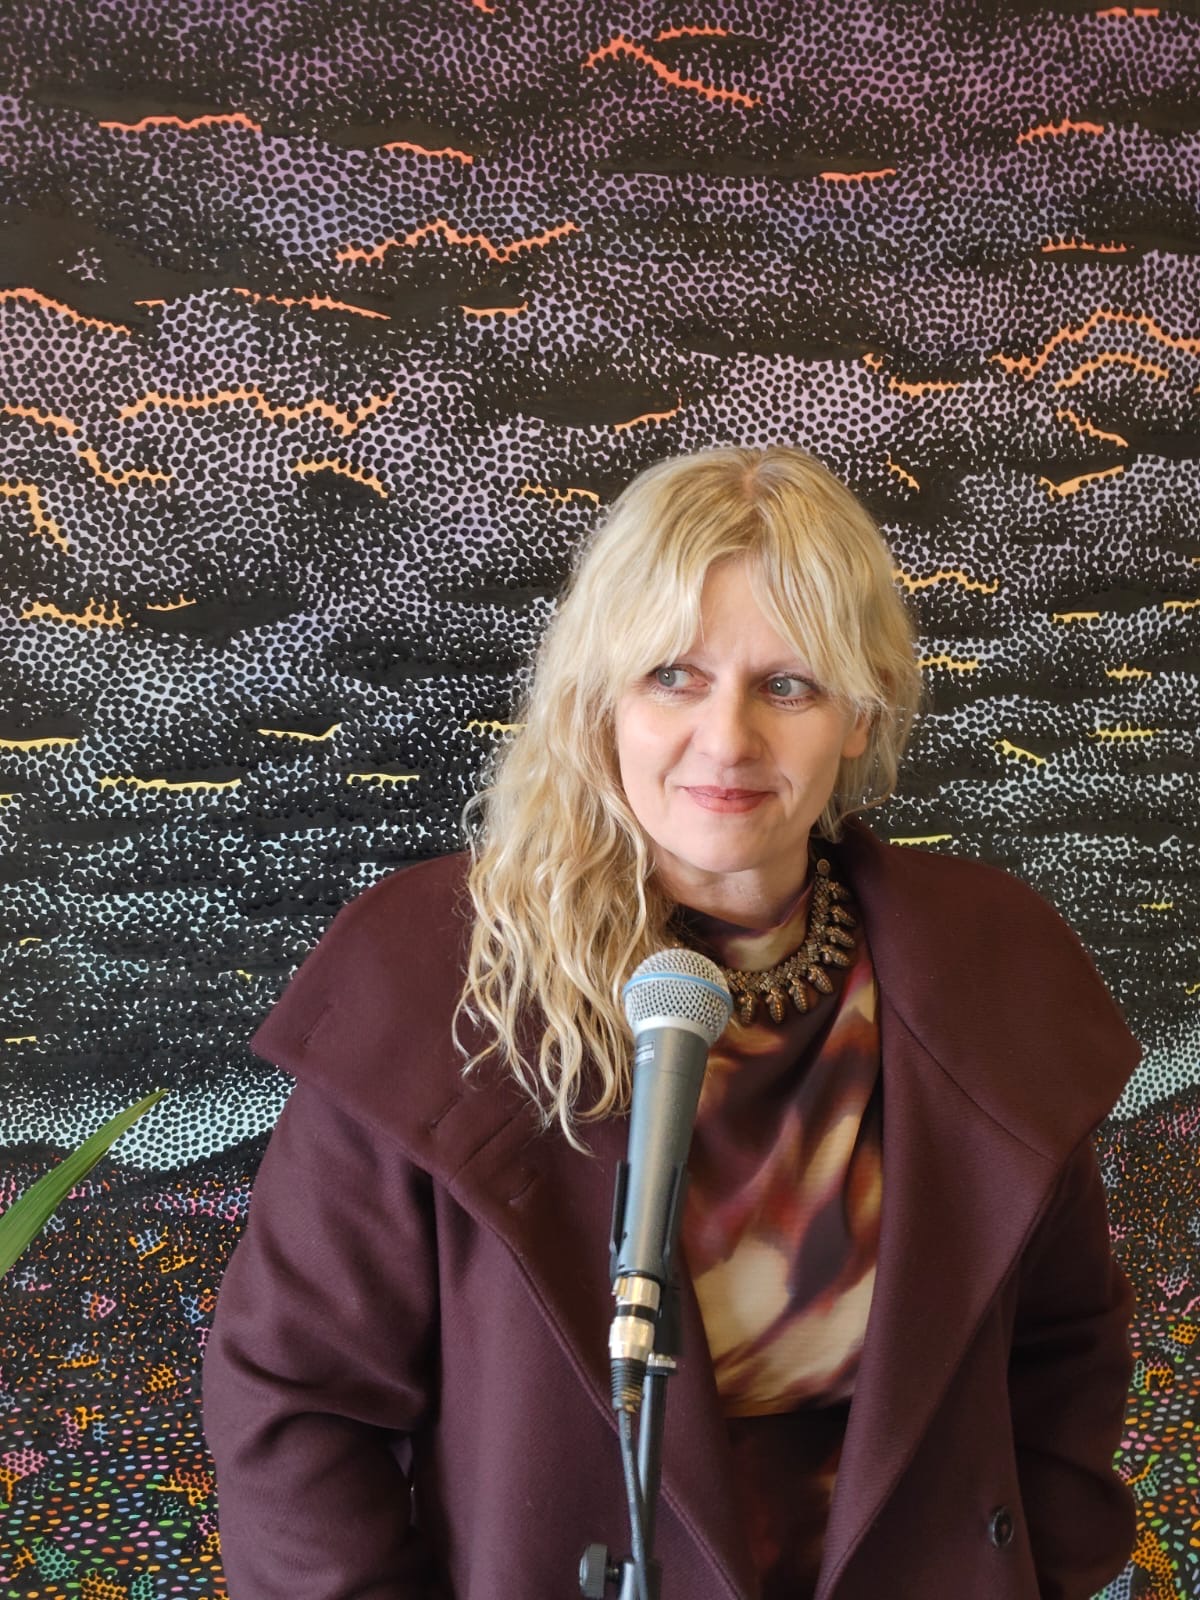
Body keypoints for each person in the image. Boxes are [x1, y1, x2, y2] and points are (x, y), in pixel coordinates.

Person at [203, 445, 1141, 1599]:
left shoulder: (992, 966)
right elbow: (294, 1405)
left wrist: (1050, 1569)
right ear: (603, 697)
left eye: (788, 685)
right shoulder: (437, 979)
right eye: (673, 676)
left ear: (860, 713)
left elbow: (1066, 1341)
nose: (728, 738)